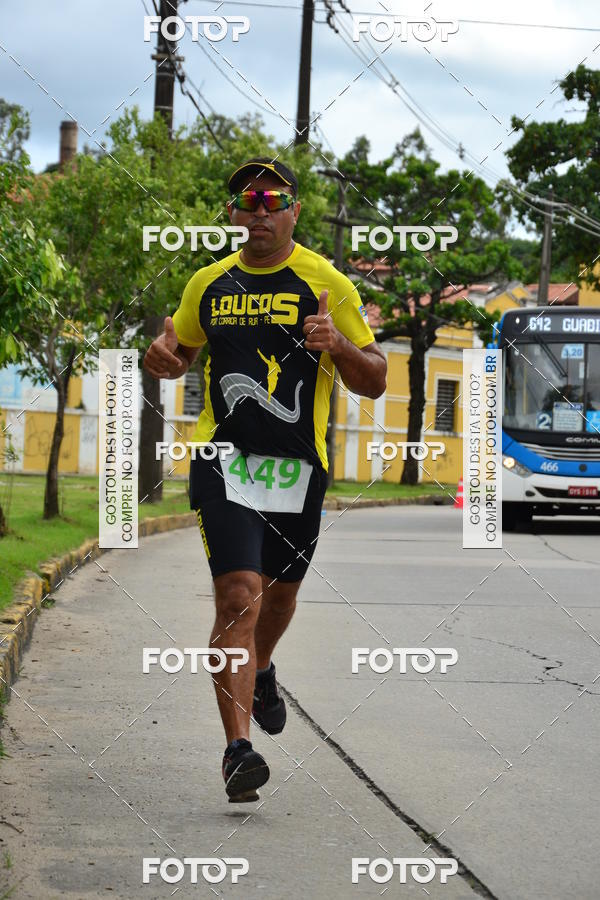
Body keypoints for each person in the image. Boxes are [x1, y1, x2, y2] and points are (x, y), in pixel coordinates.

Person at [143, 157, 387, 802]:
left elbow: (376, 378)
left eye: (273, 201)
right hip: (224, 460)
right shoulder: (208, 283)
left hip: (297, 467)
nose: (260, 212)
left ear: (294, 212)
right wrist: (161, 359)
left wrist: (337, 346)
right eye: (248, 202)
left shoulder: (325, 282)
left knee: (277, 599)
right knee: (239, 596)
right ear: (233, 213)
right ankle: (237, 750)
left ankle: (265, 668)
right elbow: (179, 355)